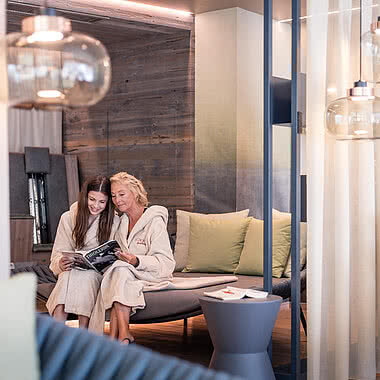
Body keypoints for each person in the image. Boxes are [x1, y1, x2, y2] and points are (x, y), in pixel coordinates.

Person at [88, 172, 175, 344]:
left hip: (151, 274)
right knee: (119, 273)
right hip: (126, 274)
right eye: (113, 196)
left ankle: (120, 336)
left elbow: (166, 263)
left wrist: (136, 260)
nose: (117, 200)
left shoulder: (154, 222)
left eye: (121, 194)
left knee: (120, 272)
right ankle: (120, 337)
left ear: (135, 193)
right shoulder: (121, 223)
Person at [46, 175, 120, 328]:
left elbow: (114, 253)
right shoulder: (68, 218)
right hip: (71, 270)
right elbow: (58, 252)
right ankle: (56, 334)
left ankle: (83, 333)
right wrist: (61, 262)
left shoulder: (114, 221)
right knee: (66, 277)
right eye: (92, 199)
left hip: (96, 273)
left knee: (86, 279)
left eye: (102, 202)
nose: (95, 205)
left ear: (108, 202)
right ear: (85, 196)